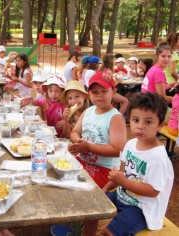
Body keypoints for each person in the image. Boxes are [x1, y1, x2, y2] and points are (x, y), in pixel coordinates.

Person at [100, 92, 174, 236]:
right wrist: (106, 188)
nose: (140, 126)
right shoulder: (131, 144)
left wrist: (123, 182)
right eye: (135, 120)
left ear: (159, 125)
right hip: (122, 195)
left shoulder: (157, 157)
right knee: (95, 206)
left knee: (108, 232)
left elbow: (153, 191)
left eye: (148, 122)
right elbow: (122, 173)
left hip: (141, 208)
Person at [69, 71, 127, 189]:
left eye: (104, 91)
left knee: (76, 187)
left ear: (114, 92)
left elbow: (117, 150)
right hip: (83, 160)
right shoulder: (88, 112)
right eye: (94, 92)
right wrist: (78, 142)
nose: (99, 95)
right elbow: (75, 132)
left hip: (105, 169)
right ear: (89, 93)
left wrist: (88, 147)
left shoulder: (115, 118)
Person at [164, 32, 179, 96]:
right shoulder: (173, 54)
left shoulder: (168, 52)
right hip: (171, 84)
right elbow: (172, 72)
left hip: (166, 82)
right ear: (174, 41)